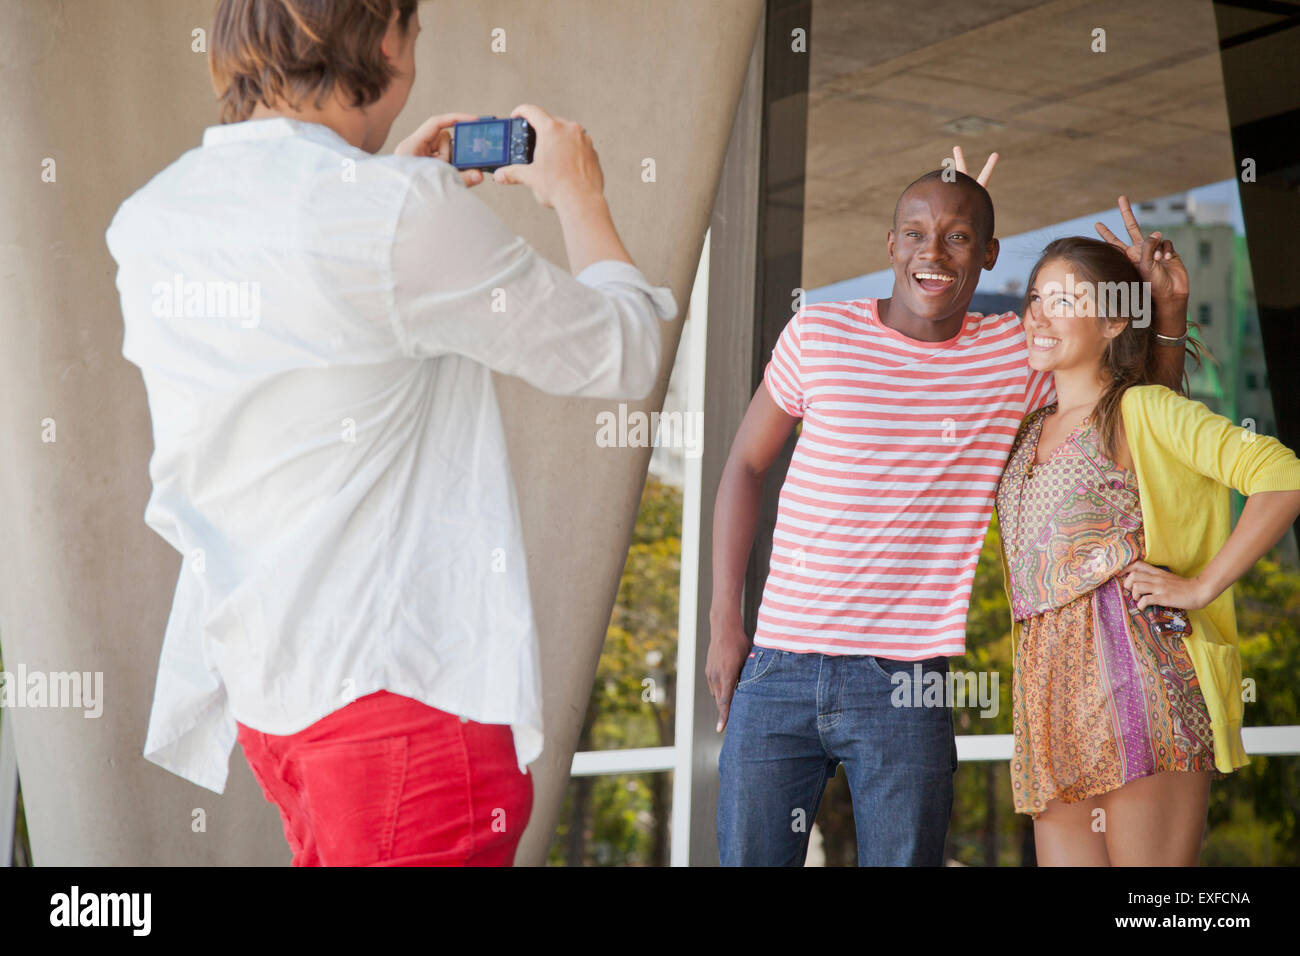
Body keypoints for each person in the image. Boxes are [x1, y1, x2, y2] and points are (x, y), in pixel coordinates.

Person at [105, 0, 675, 866]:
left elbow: (316, 332)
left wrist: (391, 203)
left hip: (274, 704)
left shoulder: (150, 220)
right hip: (402, 716)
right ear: (382, 39)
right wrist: (577, 191)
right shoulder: (394, 218)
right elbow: (623, 352)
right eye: (413, 31)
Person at [707, 155, 1191, 866]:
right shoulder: (817, 335)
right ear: (891, 246)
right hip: (777, 668)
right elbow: (745, 467)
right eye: (915, 233)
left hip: (905, 682)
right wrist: (725, 624)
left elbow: (1140, 413)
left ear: (989, 255)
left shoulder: (1017, 358)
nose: (931, 252)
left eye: (959, 238)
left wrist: (1158, 307)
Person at [994, 235, 1300, 865]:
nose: (1039, 315)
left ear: (1112, 320)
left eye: (1064, 299)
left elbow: (1282, 475)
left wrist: (1201, 586)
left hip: (1137, 683)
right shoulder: (1027, 429)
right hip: (1047, 699)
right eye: (1035, 299)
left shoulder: (1144, 408)